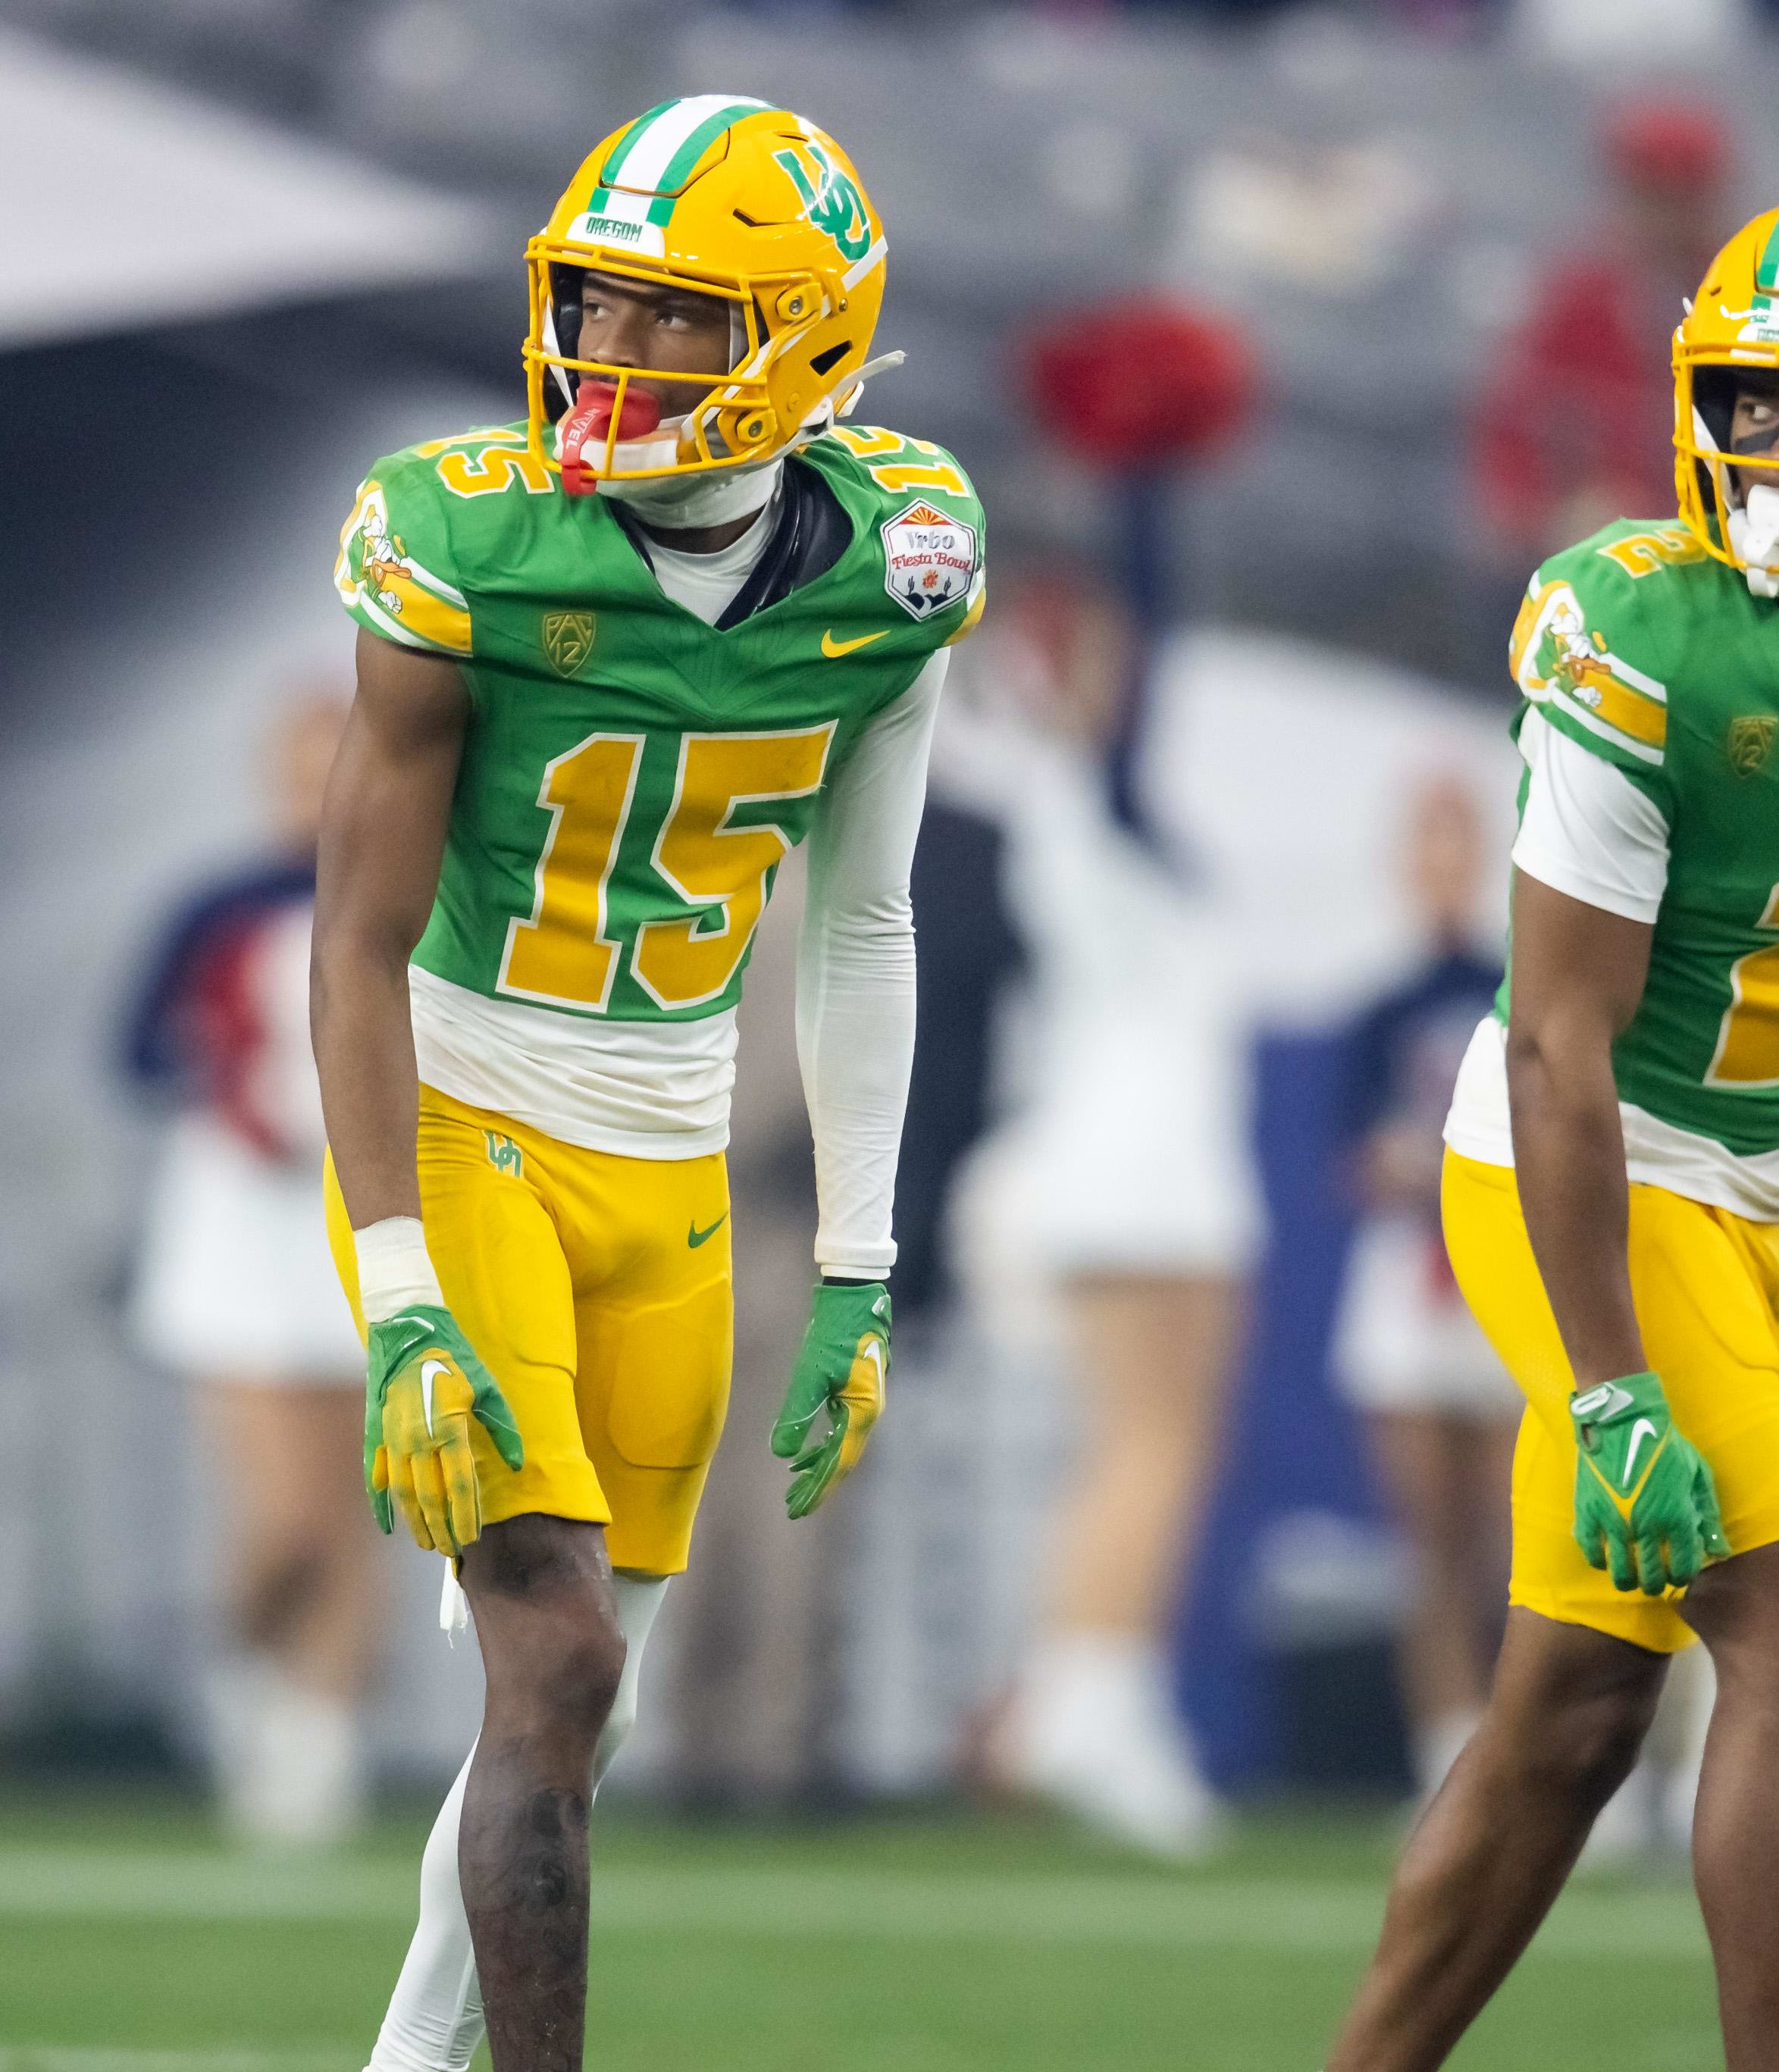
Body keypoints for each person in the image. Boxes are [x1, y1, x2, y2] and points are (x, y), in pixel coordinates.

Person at [1324, 185, 1779, 2072]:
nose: (1776, 446)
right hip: (1575, 1165)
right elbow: (1559, 1043)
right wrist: (1599, 1385)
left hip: (1758, 1197)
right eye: (1749, 400)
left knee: (1572, 1716)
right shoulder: (1631, 628)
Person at [312, 98, 974, 2071]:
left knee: (569, 1714)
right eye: (588, 294)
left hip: (675, 1149)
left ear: (795, 335)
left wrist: (854, 1255)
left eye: (670, 313)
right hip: (466, 1109)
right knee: (561, 1650)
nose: (605, 344)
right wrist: (405, 1285)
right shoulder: (459, 534)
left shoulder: (900, 555)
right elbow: (350, 937)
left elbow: (862, 921)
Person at [980, 562, 1263, 1863]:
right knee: (1152, 1444)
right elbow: (1133, 667)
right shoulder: (1084, 792)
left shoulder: (1084, 801)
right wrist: (1147, 492)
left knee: (1143, 1447)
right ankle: (1086, 1699)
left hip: (1143, 1155)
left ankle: (1092, 1687)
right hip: (1141, 1167)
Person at [120, 691, 372, 1851]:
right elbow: (133, 1052)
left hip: (358, 1219)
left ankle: (314, 1748)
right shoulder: (216, 908)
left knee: (350, 1510)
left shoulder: (411, 898)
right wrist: (227, 1078)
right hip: (239, 1227)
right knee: (280, 1518)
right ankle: (236, 1667)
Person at [1328, 774, 1513, 1807]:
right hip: (1408, 1282)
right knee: (1428, 1544)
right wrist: (1401, 1166)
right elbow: (1343, 1159)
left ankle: (1526, 1751)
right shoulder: (1378, 1009)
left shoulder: (1515, 990)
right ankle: (1445, 1752)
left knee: (1514, 1536)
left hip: (1497, 1266)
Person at [1470, 95, 1740, 565]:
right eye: (1651, 193)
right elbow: (1512, 426)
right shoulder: (1577, 296)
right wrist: (1540, 513)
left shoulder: (1745, 299)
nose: (1666, 217)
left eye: (1682, 196)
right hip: (1595, 555)